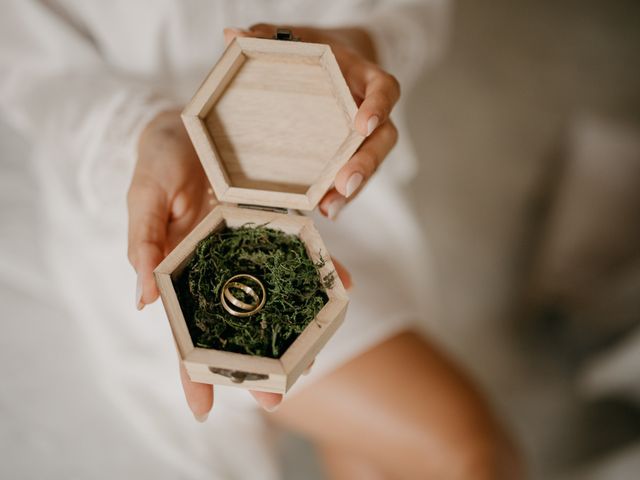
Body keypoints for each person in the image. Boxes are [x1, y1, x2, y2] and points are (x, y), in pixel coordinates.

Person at [0, 1, 522, 478]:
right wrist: (148, 129)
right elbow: (38, 74)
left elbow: (416, 14)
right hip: (164, 198)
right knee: (470, 452)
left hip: (325, 167)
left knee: (376, 460)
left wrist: (363, 44)